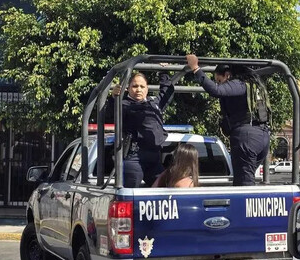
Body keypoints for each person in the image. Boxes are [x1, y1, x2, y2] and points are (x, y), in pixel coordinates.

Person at [186, 54, 270, 186]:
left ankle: (243, 206)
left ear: (227, 75)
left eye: (219, 80)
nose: (219, 84)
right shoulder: (253, 85)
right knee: (246, 176)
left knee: (244, 183)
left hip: (247, 136)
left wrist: (195, 68)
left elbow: (216, 91)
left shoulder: (238, 84)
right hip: (262, 136)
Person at [112, 71, 174, 188]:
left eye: (142, 86)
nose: (138, 90)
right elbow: (110, 113)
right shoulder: (123, 105)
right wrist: (114, 97)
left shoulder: (154, 104)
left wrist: (163, 72)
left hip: (154, 157)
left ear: (147, 88)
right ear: (128, 88)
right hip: (134, 157)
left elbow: (167, 92)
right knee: (131, 192)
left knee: (164, 189)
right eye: (134, 86)